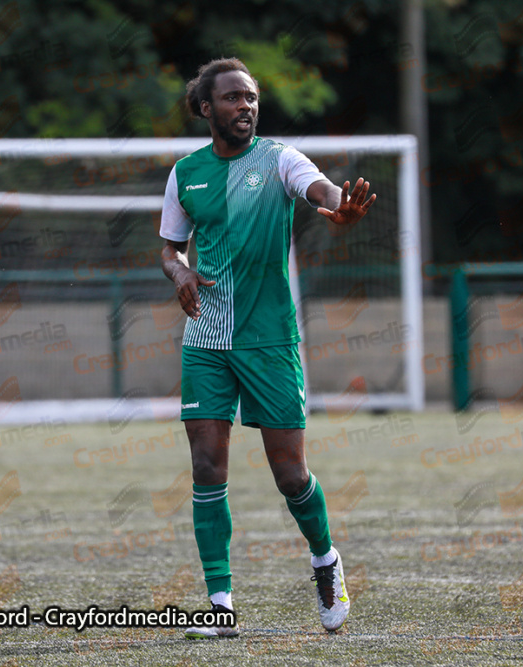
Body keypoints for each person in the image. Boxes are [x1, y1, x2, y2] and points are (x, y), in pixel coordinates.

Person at [158, 57, 376, 639]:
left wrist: (336, 205)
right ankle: (221, 605)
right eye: (231, 98)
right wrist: (178, 273)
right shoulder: (185, 174)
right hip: (206, 338)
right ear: (206, 108)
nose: (245, 106)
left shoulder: (279, 159)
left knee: (289, 472)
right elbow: (170, 248)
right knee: (207, 465)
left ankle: (325, 562)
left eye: (251, 97)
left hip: (270, 340)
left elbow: (318, 187)